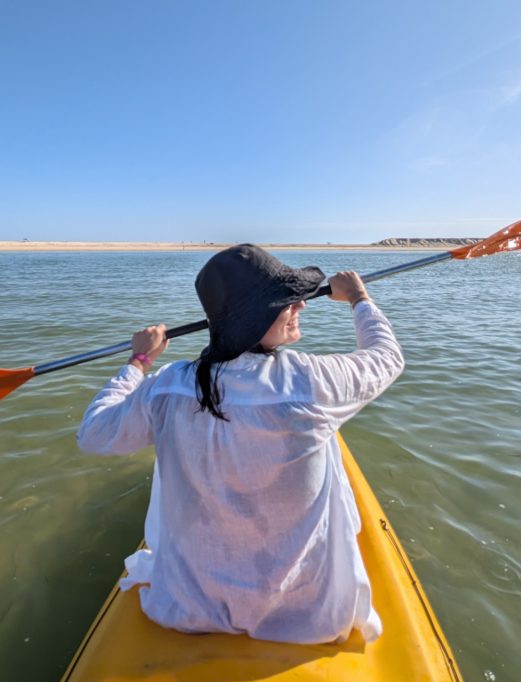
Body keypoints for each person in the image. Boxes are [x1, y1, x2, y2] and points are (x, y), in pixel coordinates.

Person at [77, 245, 404, 645]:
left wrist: (139, 361)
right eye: (287, 301)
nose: (301, 304)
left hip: (188, 609)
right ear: (255, 318)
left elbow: (94, 433)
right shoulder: (310, 381)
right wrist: (358, 299)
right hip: (309, 618)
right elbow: (386, 357)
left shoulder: (168, 385)